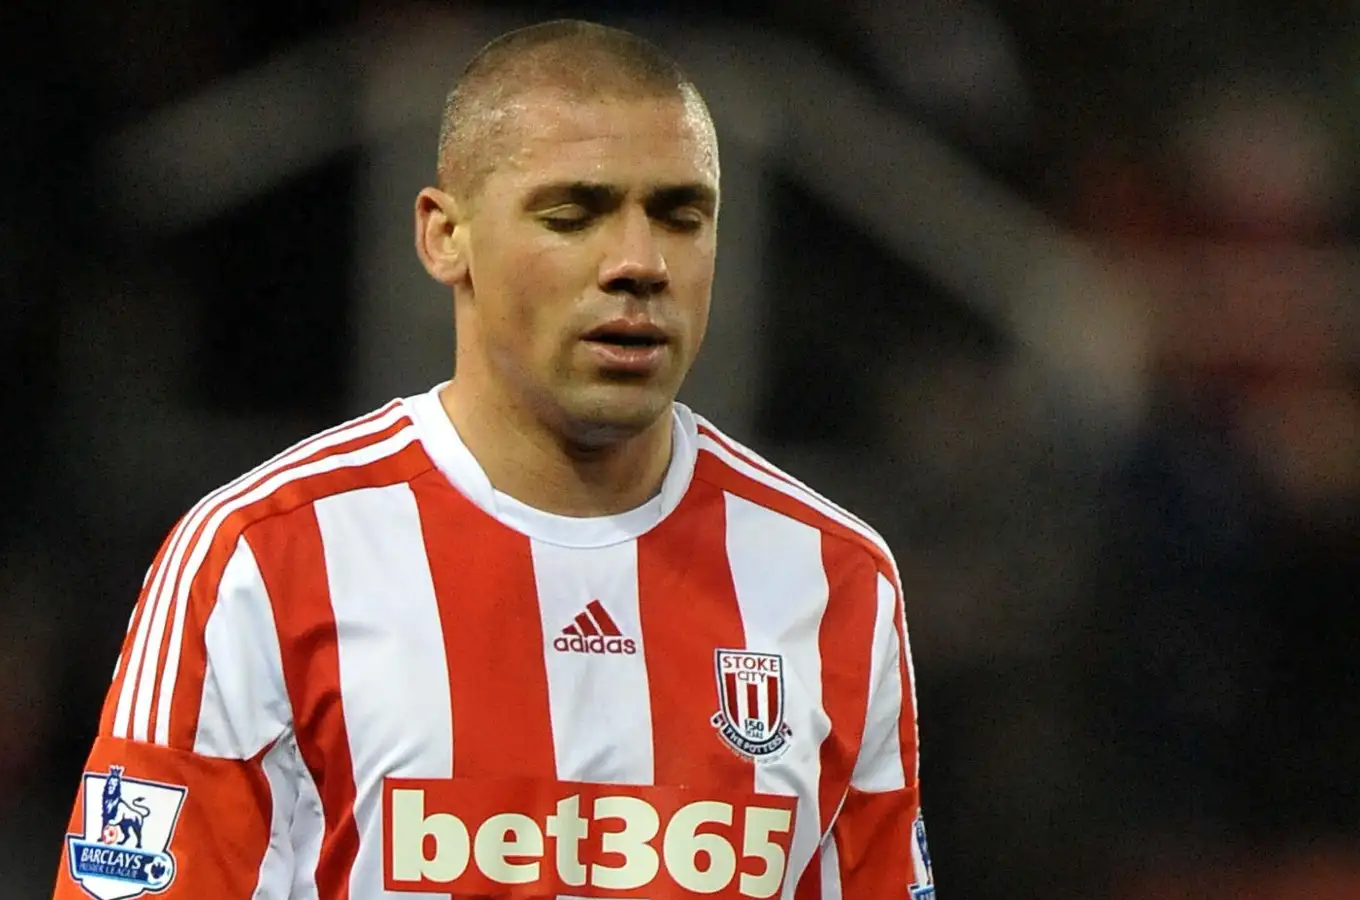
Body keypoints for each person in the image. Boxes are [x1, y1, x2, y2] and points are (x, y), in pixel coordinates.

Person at [51, 19, 932, 900]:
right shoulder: (262, 557)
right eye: (572, 215)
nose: (638, 263)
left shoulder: (834, 578)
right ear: (444, 237)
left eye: (680, 215)